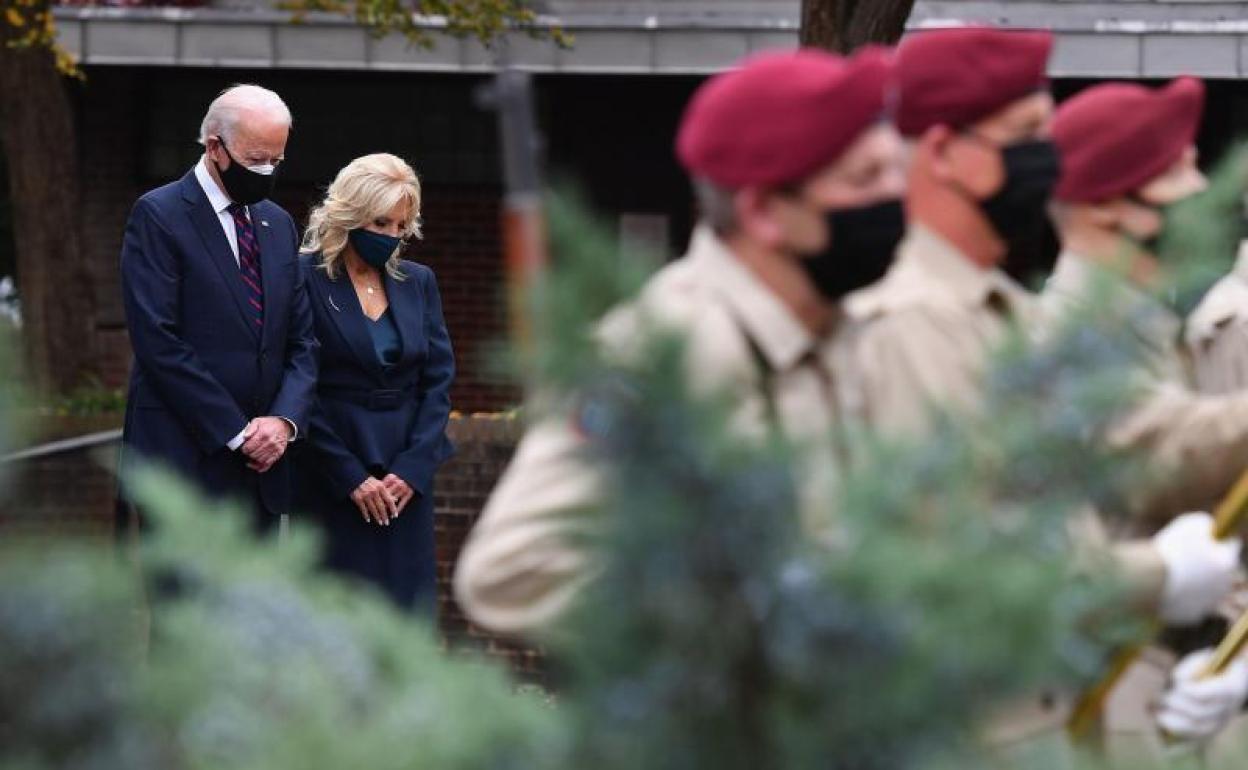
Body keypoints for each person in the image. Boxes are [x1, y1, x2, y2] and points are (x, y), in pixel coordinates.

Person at [842, 30, 1242, 758]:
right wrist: (1158, 576)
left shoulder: (999, 315)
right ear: (941, 154)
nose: (1049, 162)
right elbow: (962, 560)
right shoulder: (914, 320)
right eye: (1027, 135)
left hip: (1058, 706)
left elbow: (1139, 439)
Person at [454, 47, 907, 637]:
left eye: (896, 170)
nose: (897, 196)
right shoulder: (659, 350)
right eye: (865, 178)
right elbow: (512, 572)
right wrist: (742, 635)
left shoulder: (850, 327)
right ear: (765, 210)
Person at [1046, 77, 1248, 763]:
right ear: (1110, 207)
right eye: (1180, 171)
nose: (1201, 191)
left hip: (1168, 669)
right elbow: (1158, 465)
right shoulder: (1073, 334)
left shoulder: (1144, 322)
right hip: (1105, 682)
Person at [119, 84, 317, 532]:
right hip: (184, 459)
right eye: (256, 159)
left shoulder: (278, 223)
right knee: (184, 601)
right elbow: (158, 339)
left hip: (264, 466)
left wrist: (283, 422)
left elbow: (303, 338)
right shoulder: (158, 215)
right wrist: (237, 432)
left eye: (276, 160)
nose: (267, 170)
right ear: (214, 147)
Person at [296, 153, 454, 613]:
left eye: (400, 226)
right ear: (351, 215)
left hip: (405, 475)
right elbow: (298, 379)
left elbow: (438, 380)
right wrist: (349, 476)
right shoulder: (304, 278)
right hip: (332, 469)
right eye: (380, 222)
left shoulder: (418, 281)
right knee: (336, 610)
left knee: (408, 608)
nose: (391, 236)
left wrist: (414, 468)